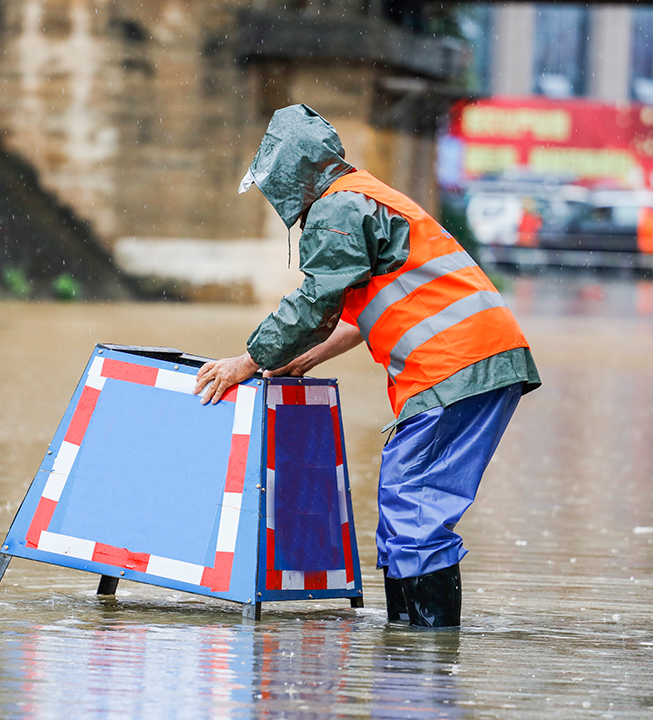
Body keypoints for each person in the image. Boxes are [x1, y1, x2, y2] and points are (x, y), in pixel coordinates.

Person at [193, 104, 540, 628]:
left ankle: (425, 660)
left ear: (293, 171)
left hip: (455, 367)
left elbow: (315, 301)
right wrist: (302, 357)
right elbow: (359, 314)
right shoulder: (367, 196)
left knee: (414, 504)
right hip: (475, 362)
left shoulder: (337, 208)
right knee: (406, 501)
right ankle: (408, 647)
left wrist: (247, 361)